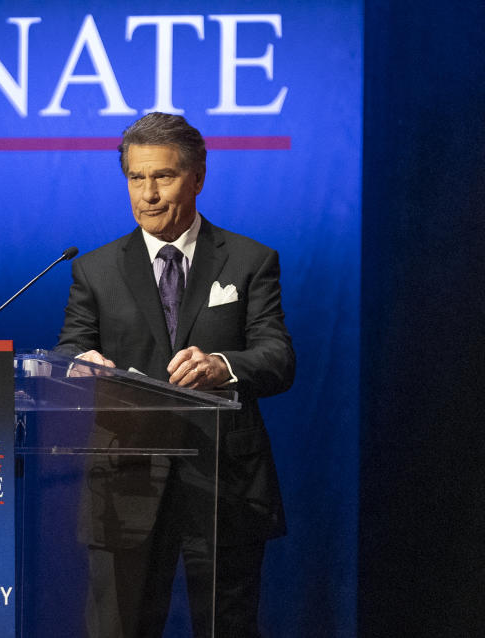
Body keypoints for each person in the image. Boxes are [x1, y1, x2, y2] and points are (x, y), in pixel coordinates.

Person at [56, 113, 295, 637]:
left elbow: (277, 358)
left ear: (198, 178)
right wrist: (80, 365)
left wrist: (222, 365)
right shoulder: (94, 270)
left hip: (223, 484)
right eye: (136, 178)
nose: (149, 194)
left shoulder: (250, 261)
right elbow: (73, 347)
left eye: (162, 177)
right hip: (126, 484)